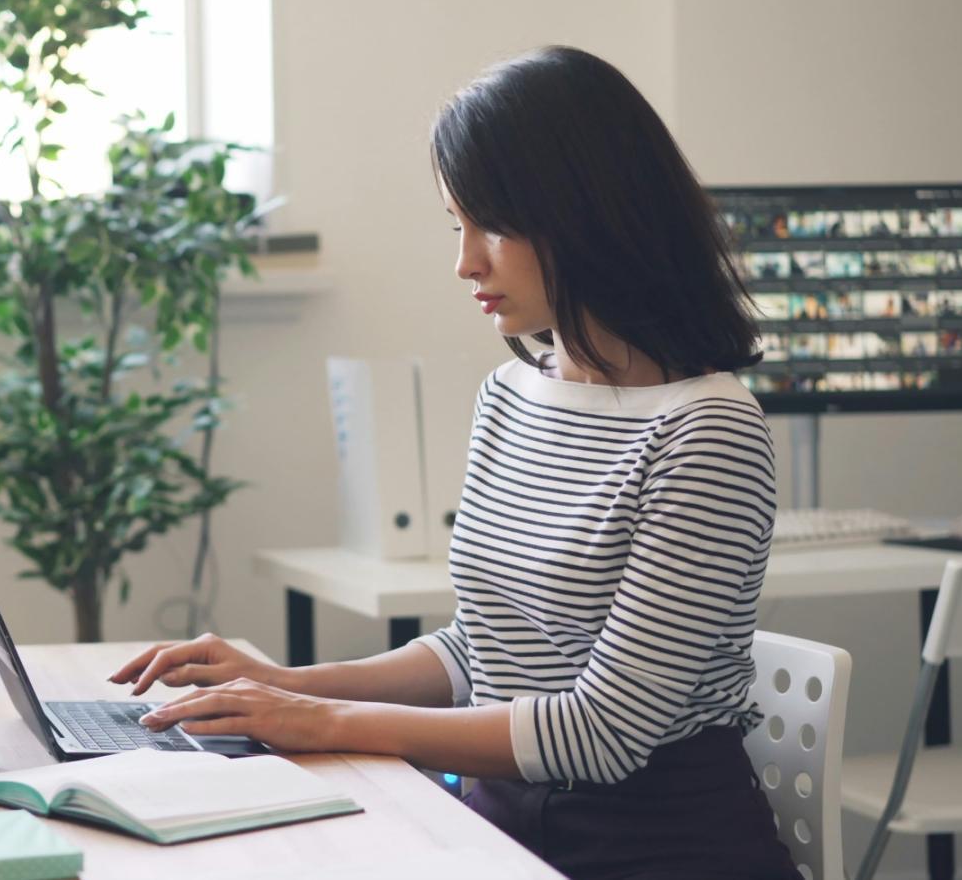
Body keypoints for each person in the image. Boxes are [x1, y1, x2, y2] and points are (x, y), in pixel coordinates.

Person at [111, 46, 797, 880]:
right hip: (500, 823)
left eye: (494, 227)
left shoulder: (708, 431)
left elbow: (602, 732)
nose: (466, 261)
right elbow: (485, 650)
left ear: (592, 216)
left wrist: (321, 719)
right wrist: (285, 684)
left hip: (652, 845)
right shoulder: (512, 393)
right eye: (457, 226)